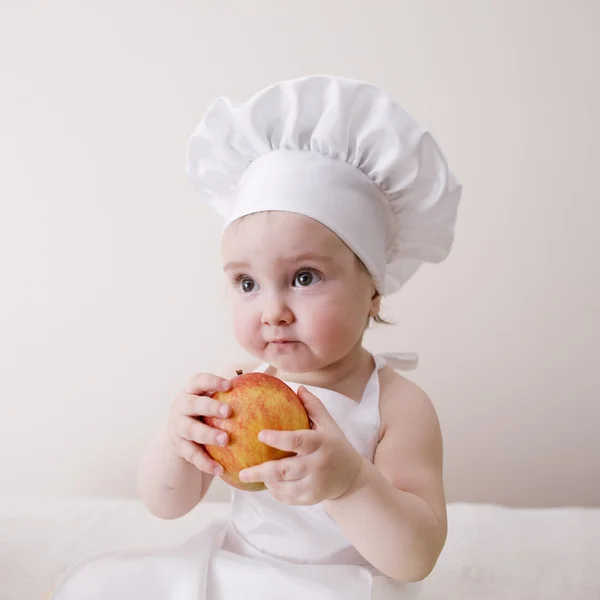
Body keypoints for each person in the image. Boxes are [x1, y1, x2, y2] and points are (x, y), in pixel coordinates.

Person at [49, 74, 462, 599]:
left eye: (304, 277)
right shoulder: (236, 389)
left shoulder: (398, 405)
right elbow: (166, 504)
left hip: (339, 587)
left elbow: (416, 556)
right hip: (240, 570)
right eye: (247, 282)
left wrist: (353, 483)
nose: (273, 311)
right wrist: (178, 443)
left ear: (374, 291)